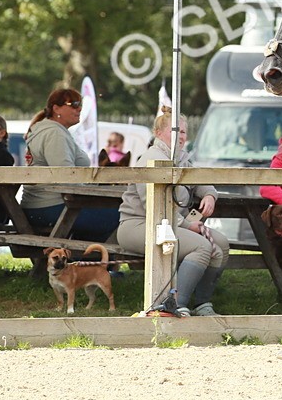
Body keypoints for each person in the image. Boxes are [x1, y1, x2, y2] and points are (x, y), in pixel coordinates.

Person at [116, 108, 228, 317]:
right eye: (175, 130)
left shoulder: (182, 158)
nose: (181, 136)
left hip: (168, 223)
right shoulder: (150, 158)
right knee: (202, 247)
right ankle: (175, 305)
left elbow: (200, 182)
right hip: (139, 225)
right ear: (158, 133)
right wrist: (187, 225)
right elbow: (153, 205)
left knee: (221, 243)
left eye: (184, 132)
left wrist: (209, 195)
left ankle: (202, 303)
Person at [20, 88, 119, 240]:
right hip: (51, 208)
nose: (79, 108)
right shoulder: (54, 134)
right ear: (56, 108)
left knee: (110, 213)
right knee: (123, 212)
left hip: (40, 207)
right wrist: (94, 189)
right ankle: (89, 259)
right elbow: (67, 177)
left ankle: (85, 258)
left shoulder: (48, 130)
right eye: (73, 104)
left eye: (80, 104)